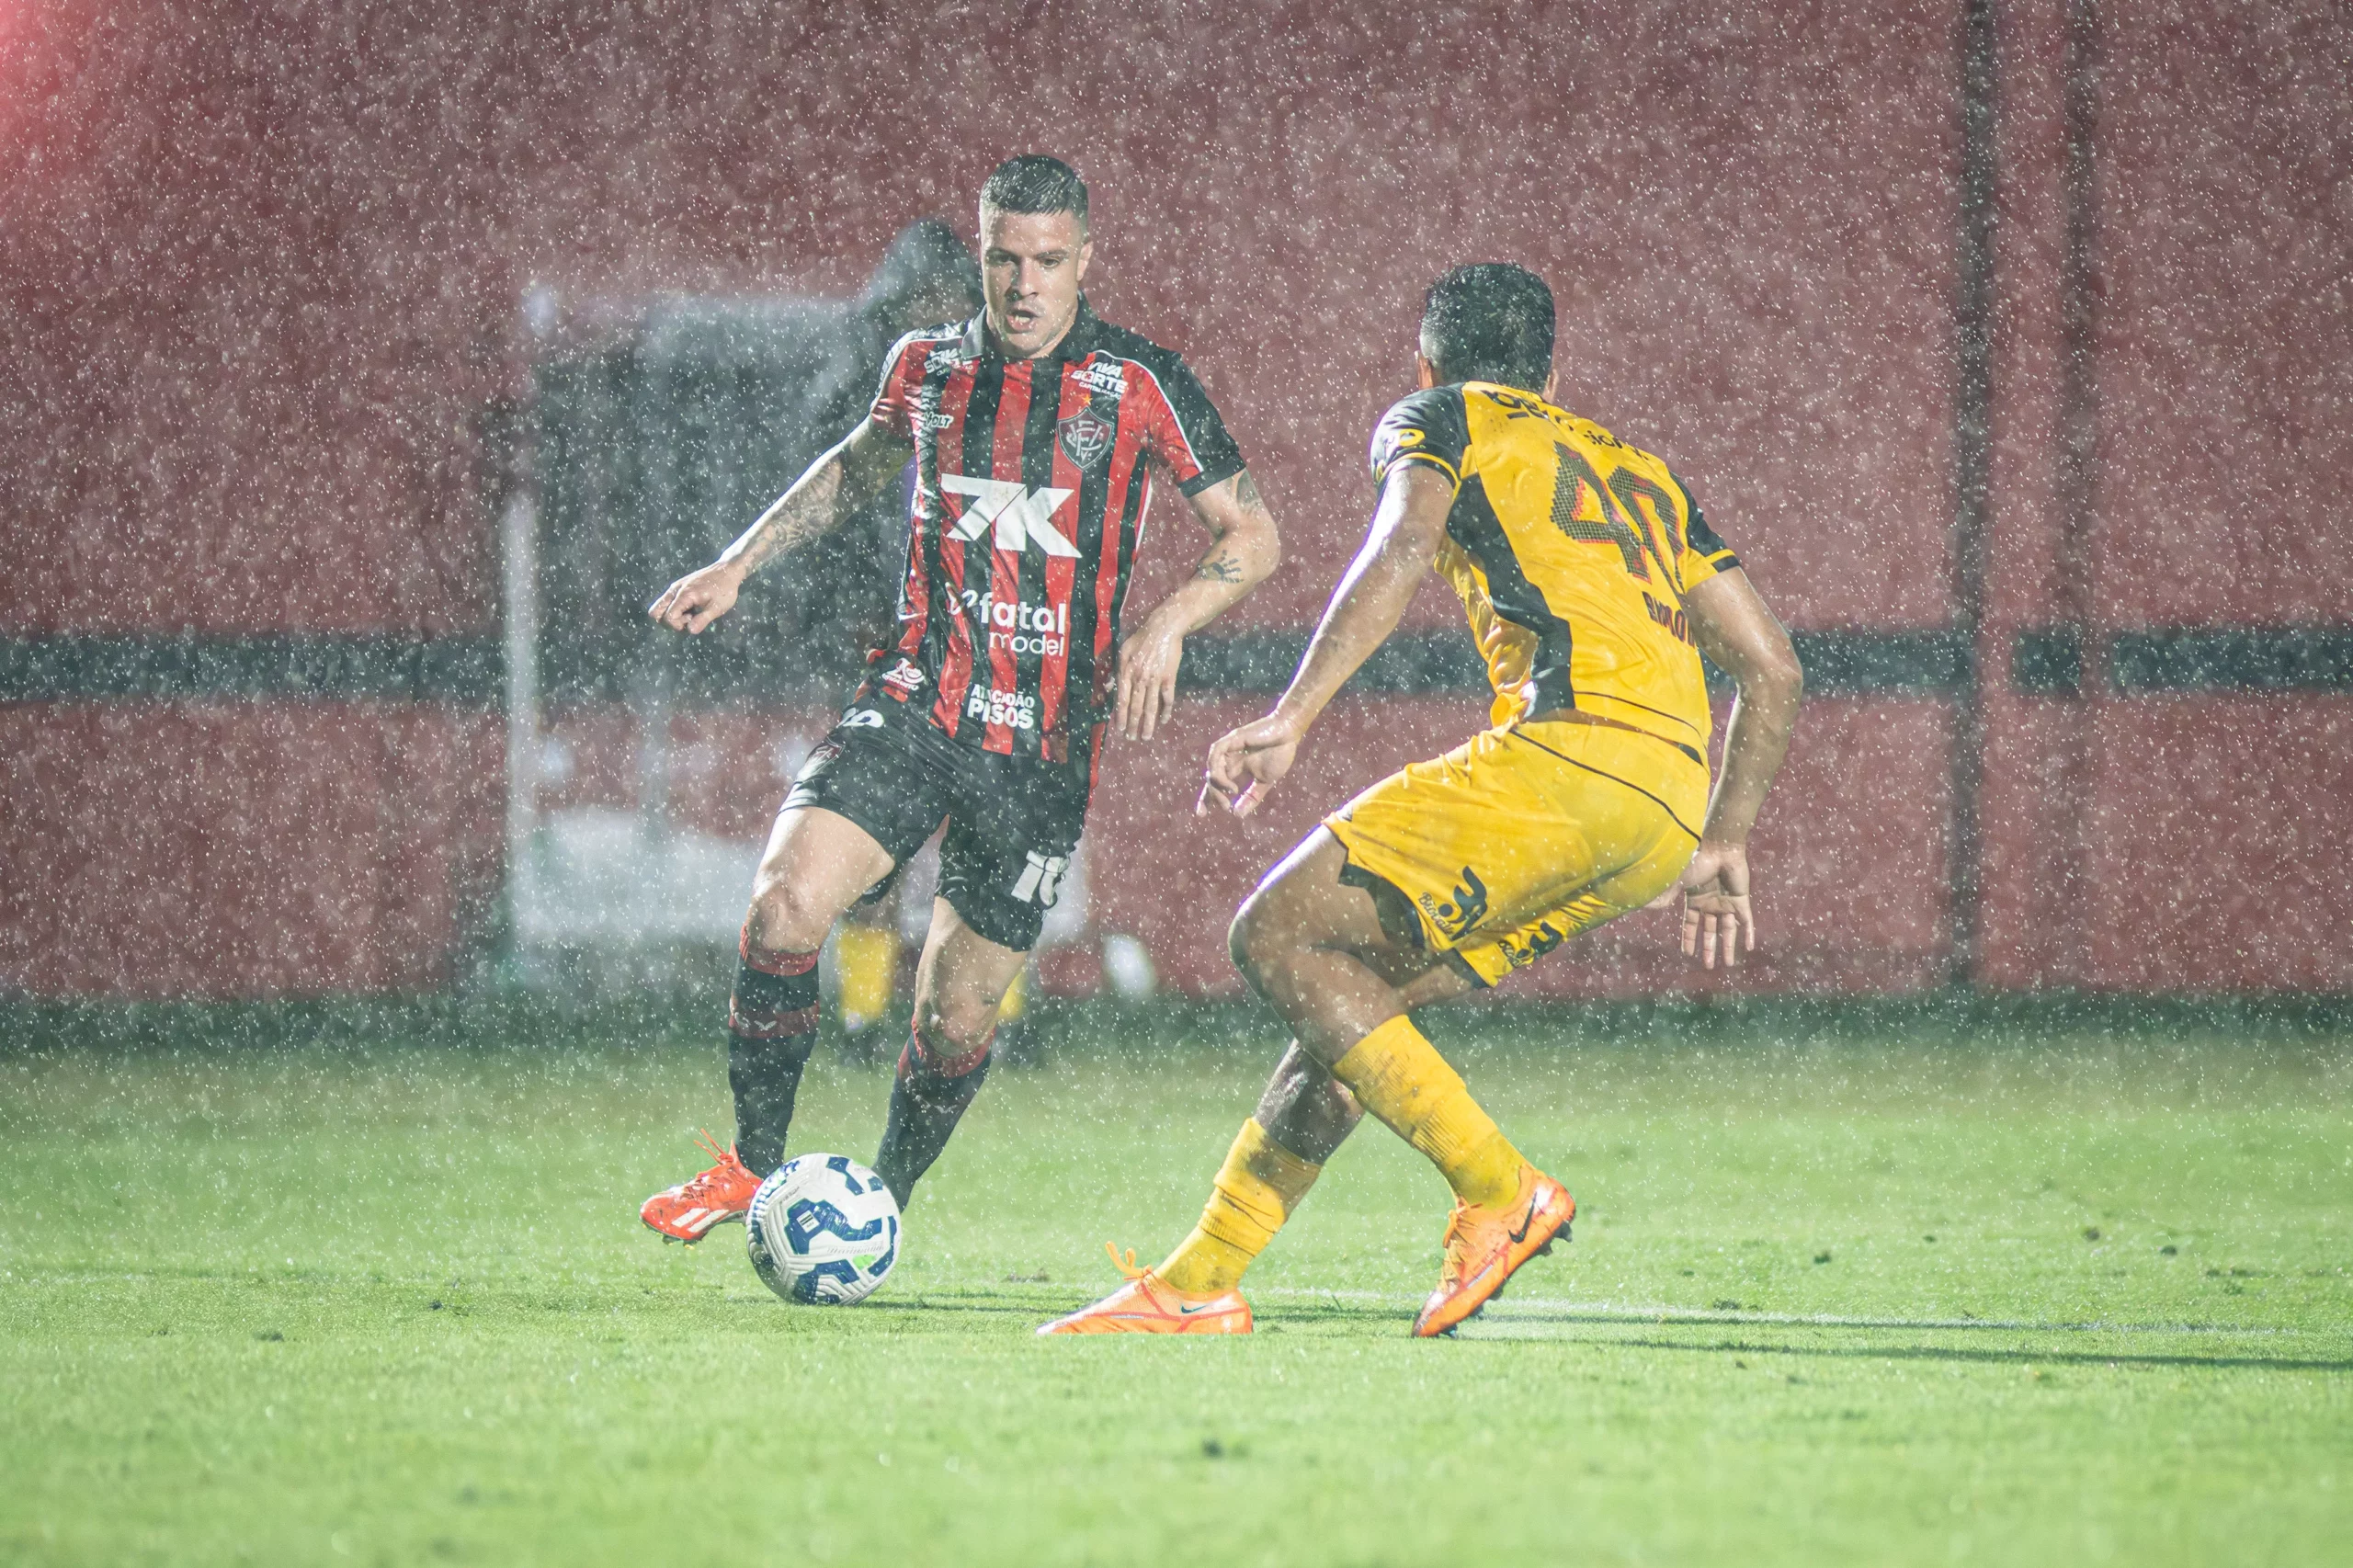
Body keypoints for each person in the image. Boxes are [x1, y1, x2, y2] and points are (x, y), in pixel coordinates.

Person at [1040, 264, 1804, 1337]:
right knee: (1351, 1007)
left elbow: (1401, 543)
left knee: (1277, 935)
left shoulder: (1439, 415)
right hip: (1665, 813)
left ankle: (1500, 1188)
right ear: (1552, 373)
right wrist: (1724, 837)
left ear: (1426, 363)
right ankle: (1200, 1279)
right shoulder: (1642, 472)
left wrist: (1292, 716)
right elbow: (1773, 667)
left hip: (1568, 761)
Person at [638, 154, 1282, 1236]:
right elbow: (855, 464)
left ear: (1085, 260)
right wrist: (741, 561)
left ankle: (877, 1205)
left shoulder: (1138, 382)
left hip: (1040, 747)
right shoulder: (924, 365)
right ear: (980, 257)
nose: (1024, 284)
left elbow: (1253, 534)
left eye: (1048, 261)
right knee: (784, 904)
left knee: (956, 1016)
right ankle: (751, 1161)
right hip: (915, 700)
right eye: (1004, 259)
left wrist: (1166, 624)